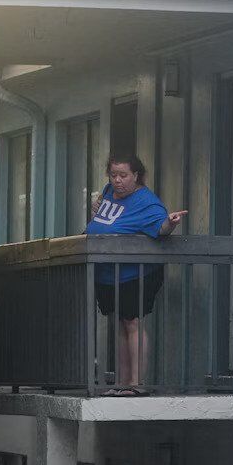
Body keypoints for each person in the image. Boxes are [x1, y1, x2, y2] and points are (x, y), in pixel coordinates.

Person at [86, 153, 186, 395]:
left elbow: (160, 228)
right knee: (119, 323)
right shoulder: (108, 192)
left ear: (136, 176)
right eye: (113, 175)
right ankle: (121, 383)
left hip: (134, 273)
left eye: (123, 175)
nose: (117, 180)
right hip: (108, 271)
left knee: (133, 322)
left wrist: (170, 223)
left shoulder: (147, 202)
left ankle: (136, 384)